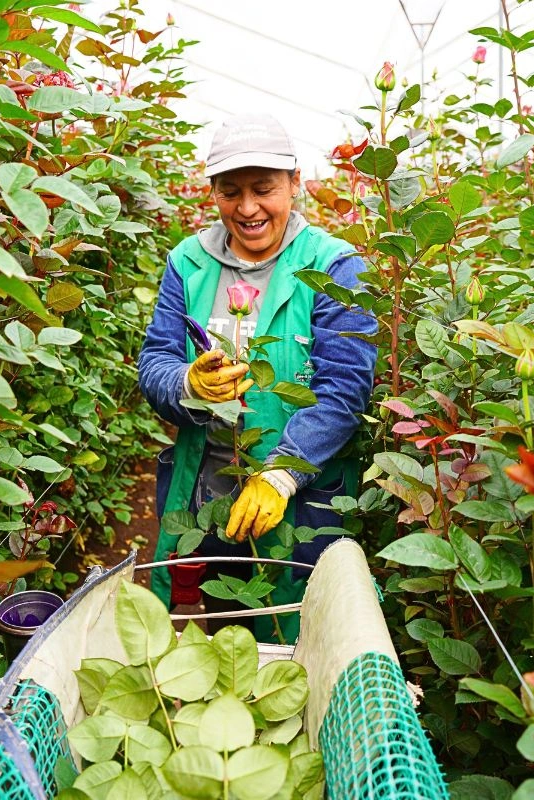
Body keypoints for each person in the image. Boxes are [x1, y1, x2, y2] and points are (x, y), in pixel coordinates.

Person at [138, 113, 377, 643]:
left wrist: (281, 474)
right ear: (214, 193)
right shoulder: (188, 262)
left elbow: (345, 390)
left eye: (264, 189)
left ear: (296, 183)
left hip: (304, 496)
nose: (247, 209)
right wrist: (187, 385)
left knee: (300, 629)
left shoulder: (334, 265)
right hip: (213, 490)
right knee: (231, 622)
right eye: (231, 192)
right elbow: (154, 360)